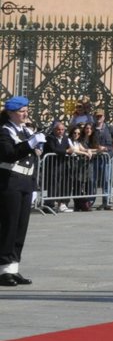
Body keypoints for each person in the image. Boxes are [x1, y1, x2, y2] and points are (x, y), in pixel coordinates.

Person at [0, 97, 44, 284]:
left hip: (25, 182)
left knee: (21, 227)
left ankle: (13, 267)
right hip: (10, 183)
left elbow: (33, 161)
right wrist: (30, 144)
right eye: (21, 111)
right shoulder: (4, 131)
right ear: (10, 113)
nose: (25, 114)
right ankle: (3, 270)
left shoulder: (25, 131)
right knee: (8, 227)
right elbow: (9, 155)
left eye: (26, 110)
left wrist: (33, 186)